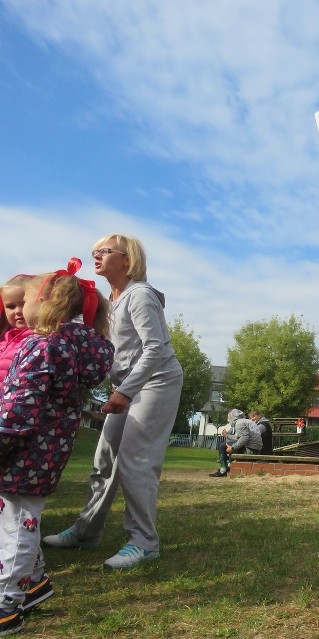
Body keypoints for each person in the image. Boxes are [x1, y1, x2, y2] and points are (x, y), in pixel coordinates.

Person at [43, 234, 184, 570]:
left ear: (127, 259)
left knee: (137, 460)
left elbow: (154, 349)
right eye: (95, 251)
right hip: (129, 385)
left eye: (104, 251)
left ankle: (144, 542)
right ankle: (87, 531)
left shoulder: (141, 296)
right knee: (105, 457)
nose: (96, 256)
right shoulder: (111, 298)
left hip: (157, 382)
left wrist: (124, 391)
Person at [0, 261, 113, 635]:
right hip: (48, 448)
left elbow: (19, 407)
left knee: (17, 526)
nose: (19, 308)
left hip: (23, 449)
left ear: (44, 302)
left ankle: (6, 606)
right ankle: (33, 584)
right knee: (18, 519)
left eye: (27, 298)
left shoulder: (41, 344)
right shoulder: (70, 344)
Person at [0, 275, 33, 387]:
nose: (18, 311)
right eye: (11, 306)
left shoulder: (39, 341)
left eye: (24, 304)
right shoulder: (4, 341)